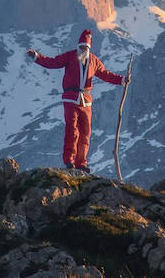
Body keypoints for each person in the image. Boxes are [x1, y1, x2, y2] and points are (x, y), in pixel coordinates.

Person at [27, 29, 130, 171]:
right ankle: (69, 161)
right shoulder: (69, 56)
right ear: (78, 47)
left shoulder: (94, 61)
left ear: (89, 48)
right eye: (82, 47)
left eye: (86, 48)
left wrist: (122, 80)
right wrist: (37, 57)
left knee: (85, 132)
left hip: (86, 101)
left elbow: (105, 74)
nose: (84, 50)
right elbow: (53, 62)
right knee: (72, 130)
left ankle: (81, 163)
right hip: (70, 99)